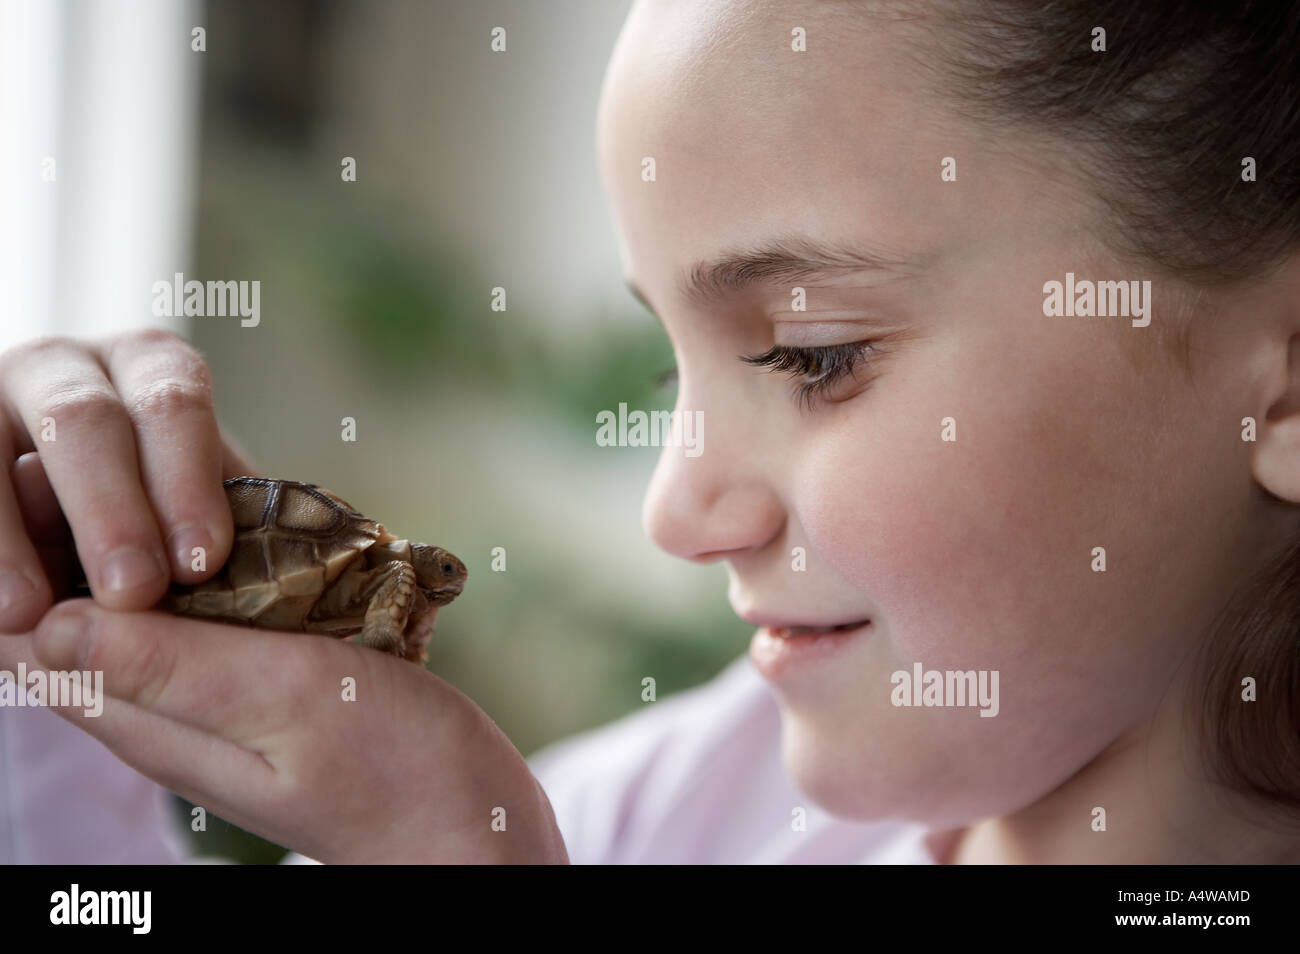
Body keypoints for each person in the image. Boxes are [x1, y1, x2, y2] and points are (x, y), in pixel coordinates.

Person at [2, 0, 1299, 864]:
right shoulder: (653, 814)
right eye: (673, 361)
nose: (676, 512)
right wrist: (39, 670)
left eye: (813, 356)